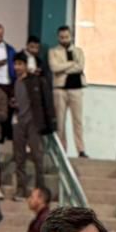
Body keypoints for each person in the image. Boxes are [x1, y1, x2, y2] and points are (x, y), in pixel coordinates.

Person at [12, 52, 54, 199]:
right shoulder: (15, 82)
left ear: (25, 65)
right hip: (19, 122)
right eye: (15, 64)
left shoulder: (36, 81)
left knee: (37, 156)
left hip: (33, 123)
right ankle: (21, 189)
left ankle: (40, 189)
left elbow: (46, 102)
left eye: (20, 64)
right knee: (19, 158)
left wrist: (49, 124)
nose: (17, 67)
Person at [48, 25, 87, 157]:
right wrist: (71, 64)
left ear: (71, 36)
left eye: (66, 37)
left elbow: (80, 67)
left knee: (78, 121)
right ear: (58, 37)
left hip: (76, 88)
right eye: (62, 37)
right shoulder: (53, 51)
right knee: (60, 122)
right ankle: (61, 150)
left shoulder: (78, 51)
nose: (64, 39)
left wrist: (63, 68)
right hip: (60, 89)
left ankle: (81, 150)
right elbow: (54, 68)